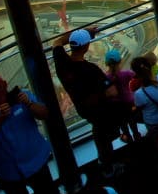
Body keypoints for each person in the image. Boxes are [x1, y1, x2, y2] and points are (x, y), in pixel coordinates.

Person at [52, 26, 125, 177]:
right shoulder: (91, 70)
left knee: (100, 133)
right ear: (86, 46)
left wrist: (79, 34)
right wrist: (86, 31)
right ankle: (108, 166)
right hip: (99, 109)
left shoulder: (61, 62)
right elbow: (112, 92)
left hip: (83, 108)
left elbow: (57, 41)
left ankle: (106, 163)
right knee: (103, 136)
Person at [104, 48, 142, 142]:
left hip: (116, 107)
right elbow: (137, 76)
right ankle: (137, 135)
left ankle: (127, 137)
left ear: (106, 63)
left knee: (123, 123)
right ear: (120, 61)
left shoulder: (105, 77)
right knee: (132, 121)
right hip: (129, 102)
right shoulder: (126, 74)